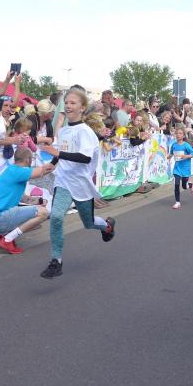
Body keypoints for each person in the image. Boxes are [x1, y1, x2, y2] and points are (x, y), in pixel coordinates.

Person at [37, 88, 116, 279]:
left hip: (81, 183)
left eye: (73, 103)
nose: (68, 106)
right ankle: (56, 261)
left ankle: (107, 226)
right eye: (66, 102)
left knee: (88, 223)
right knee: (56, 217)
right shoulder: (64, 131)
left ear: (82, 108)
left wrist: (57, 154)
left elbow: (84, 158)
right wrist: (52, 163)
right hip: (63, 181)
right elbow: (60, 150)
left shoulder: (86, 132)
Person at [0, 148, 54, 254]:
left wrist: (39, 201)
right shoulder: (19, 171)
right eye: (32, 159)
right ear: (28, 160)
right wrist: (57, 158)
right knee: (43, 213)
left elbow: (25, 199)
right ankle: (7, 240)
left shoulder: (12, 171)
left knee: (36, 211)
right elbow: (42, 171)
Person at [169, 126, 193, 209]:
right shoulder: (174, 145)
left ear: (184, 136)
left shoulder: (186, 145)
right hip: (177, 168)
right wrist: (169, 156)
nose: (178, 135)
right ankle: (177, 202)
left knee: (184, 186)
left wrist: (186, 156)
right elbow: (171, 153)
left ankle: (190, 185)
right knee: (176, 184)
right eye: (177, 133)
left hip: (185, 168)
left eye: (180, 133)